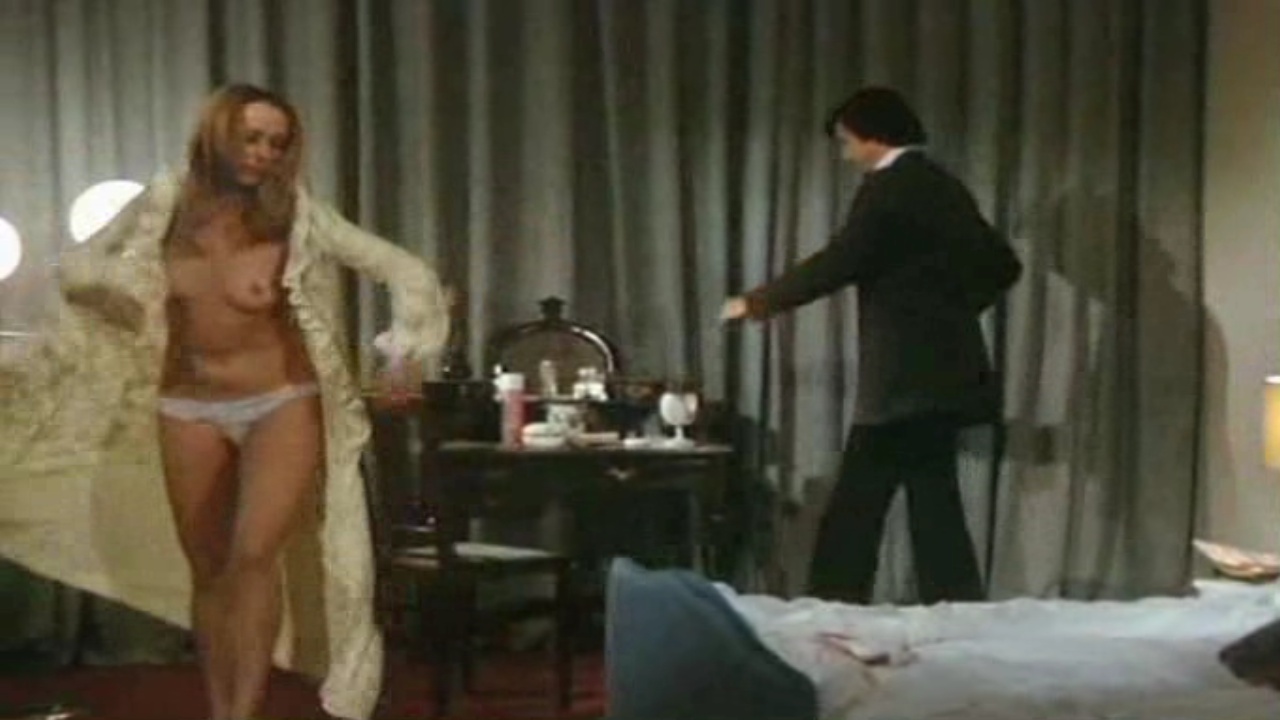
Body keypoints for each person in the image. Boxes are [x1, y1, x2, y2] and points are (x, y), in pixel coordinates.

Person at [0, 84, 449, 720]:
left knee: (253, 558)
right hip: (186, 407)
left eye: (277, 143)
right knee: (208, 569)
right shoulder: (162, 205)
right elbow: (77, 268)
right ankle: (222, 710)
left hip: (280, 404)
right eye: (251, 138)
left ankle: (245, 711)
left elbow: (406, 271)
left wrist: (402, 355)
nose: (263, 153)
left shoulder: (297, 215)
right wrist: (123, 294)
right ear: (217, 134)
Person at [722, 87, 1021, 605]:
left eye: (847, 142)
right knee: (933, 502)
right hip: (945, 374)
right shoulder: (941, 185)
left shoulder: (890, 188)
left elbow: (841, 261)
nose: (846, 154)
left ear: (874, 136)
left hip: (902, 375)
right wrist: (950, 313)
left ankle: (832, 602)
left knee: (858, 501)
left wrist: (757, 302)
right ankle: (955, 607)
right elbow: (1003, 264)